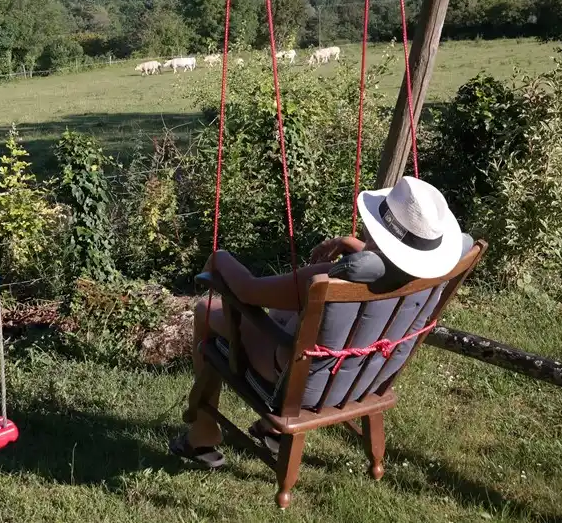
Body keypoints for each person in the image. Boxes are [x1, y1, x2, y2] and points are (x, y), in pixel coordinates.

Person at [169, 176, 468, 468]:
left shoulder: (330, 278)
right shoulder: (429, 279)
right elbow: (384, 266)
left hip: (293, 383)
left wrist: (219, 258)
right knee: (291, 317)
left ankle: (204, 431)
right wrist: (348, 243)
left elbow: (249, 291)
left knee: (207, 309)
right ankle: (269, 433)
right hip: (364, 379)